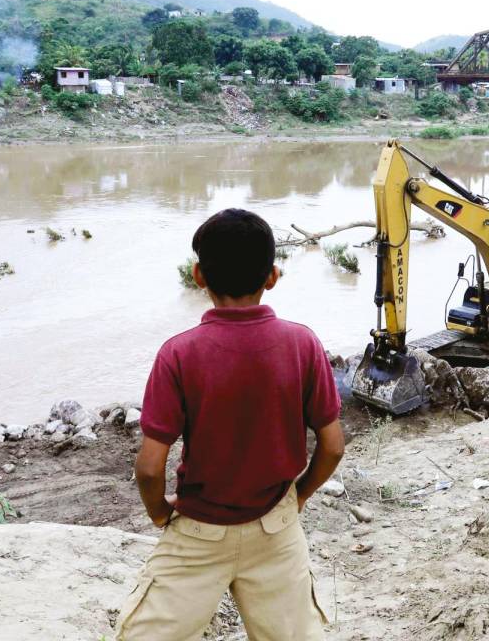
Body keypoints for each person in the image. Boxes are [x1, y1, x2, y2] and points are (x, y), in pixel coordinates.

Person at [118, 208, 345, 640]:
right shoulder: (302, 343)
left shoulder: (179, 354)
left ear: (198, 275)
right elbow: (332, 446)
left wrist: (161, 515)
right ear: (273, 276)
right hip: (276, 527)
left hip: (198, 533)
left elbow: (149, 468)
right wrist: (298, 497)